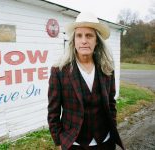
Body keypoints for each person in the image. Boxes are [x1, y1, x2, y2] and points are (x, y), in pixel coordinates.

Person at [47, 12, 125, 150]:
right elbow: (53, 111)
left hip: (105, 141)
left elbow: (111, 103)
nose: (84, 40)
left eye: (89, 35)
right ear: (74, 40)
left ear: (96, 40)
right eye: (79, 35)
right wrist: (58, 142)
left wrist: (112, 127)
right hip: (74, 143)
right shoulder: (59, 71)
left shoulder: (107, 69)